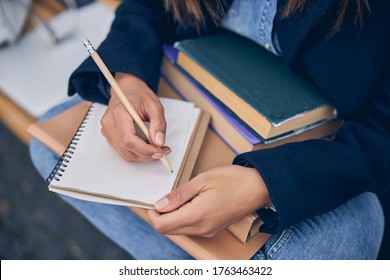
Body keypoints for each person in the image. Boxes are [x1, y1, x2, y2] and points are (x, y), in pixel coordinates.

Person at [30, 0, 389, 259]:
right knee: (51, 145)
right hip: (197, 90)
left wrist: (265, 184)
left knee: (345, 234)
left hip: (331, 149)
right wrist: (128, 77)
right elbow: (149, 6)